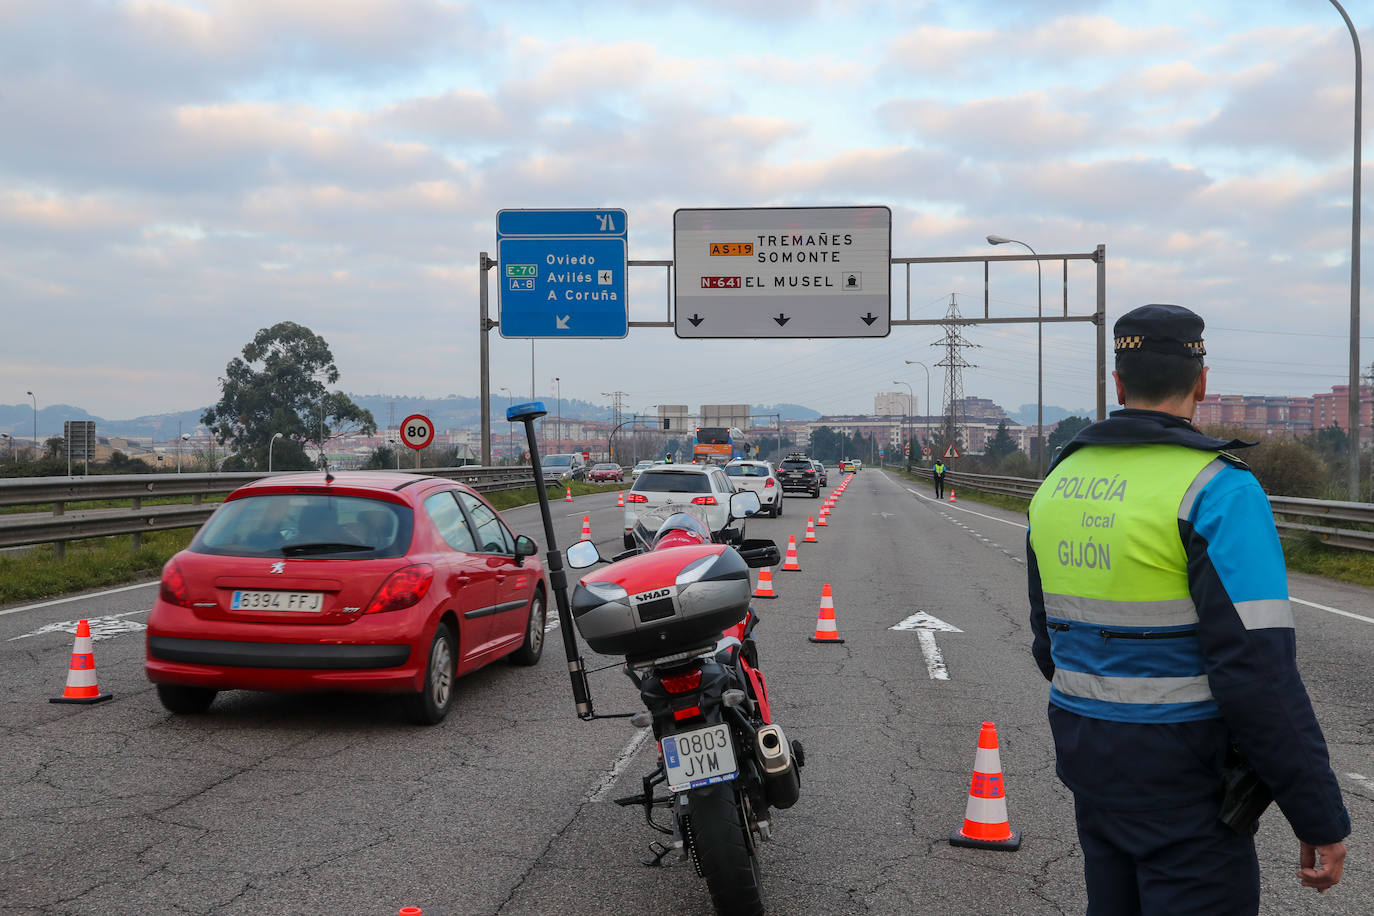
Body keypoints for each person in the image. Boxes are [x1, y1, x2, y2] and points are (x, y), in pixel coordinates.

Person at [1026, 304, 1348, 914]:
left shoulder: (1058, 481)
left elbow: (1049, 644)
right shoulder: (1218, 488)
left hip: (1089, 760)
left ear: (1119, 383)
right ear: (1201, 382)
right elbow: (1258, 673)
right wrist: (1318, 812)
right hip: (1187, 783)